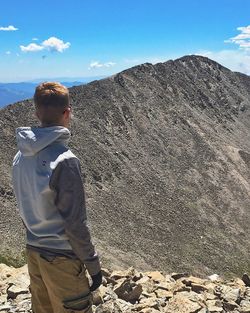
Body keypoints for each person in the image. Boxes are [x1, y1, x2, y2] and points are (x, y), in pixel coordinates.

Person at [12, 82, 102, 313]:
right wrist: (92, 264)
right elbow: (75, 223)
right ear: (67, 112)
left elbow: (24, 205)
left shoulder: (20, 158)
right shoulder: (64, 159)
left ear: (36, 112)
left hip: (34, 253)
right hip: (62, 258)